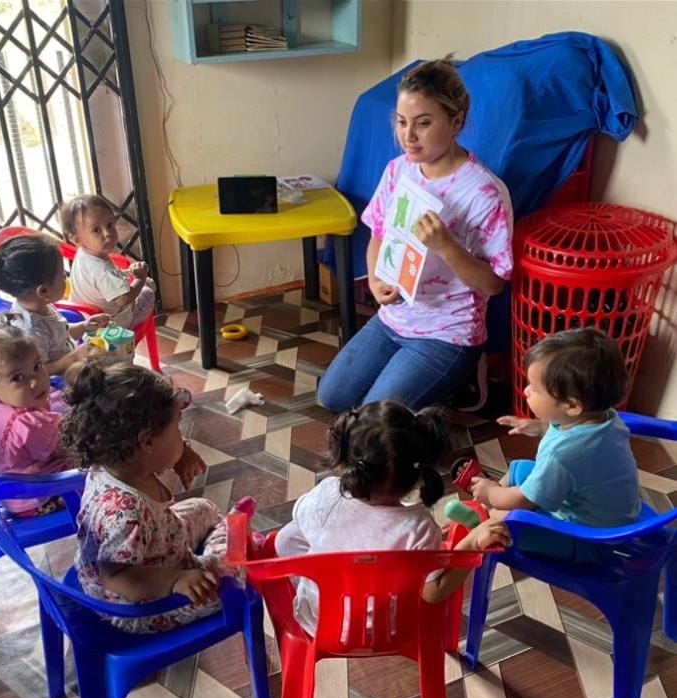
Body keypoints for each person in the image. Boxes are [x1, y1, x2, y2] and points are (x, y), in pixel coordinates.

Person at [318, 59, 513, 413]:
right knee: (331, 397)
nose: (408, 136)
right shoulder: (398, 170)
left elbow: (493, 284)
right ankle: (419, 388)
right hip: (393, 319)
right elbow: (379, 234)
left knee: (376, 419)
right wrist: (375, 280)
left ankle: (462, 377)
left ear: (456, 122)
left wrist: (446, 246)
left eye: (423, 123)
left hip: (448, 332)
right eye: (401, 122)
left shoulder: (485, 192)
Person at [274, 400, 511, 634]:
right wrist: (472, 545)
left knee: (289, 535)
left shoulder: (327, 493)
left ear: (348, 458)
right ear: (416, 474)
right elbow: (434, 591)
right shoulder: (417, 527)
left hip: (319, 621)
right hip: (383, 631)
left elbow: (297, 527)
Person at [60, 360, 220, 634]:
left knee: (204, 507)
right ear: (147, 441)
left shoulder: (114, 459)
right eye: (177, 428)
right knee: (234, 579)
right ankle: (219, 554)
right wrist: (176, 580)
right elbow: (116, 576)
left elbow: (159, 451)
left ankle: (211, 548)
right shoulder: (125, 516)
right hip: (136, 605)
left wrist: (181, 453)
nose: (181, 435)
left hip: (157, 544)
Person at [470, 328, 640, 559]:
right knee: (519, 468)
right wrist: (539, 427)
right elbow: (572, 435)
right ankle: (490, 505)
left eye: (535, 388)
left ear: (572, 406)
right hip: (614, 515)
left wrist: (491, 494)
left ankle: (487, 512)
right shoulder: (605, 416)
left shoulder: (562, 455)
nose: (526, 391)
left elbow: (523, 500)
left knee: (505, 522)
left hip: (589, 538)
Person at [0, 323, 72, 516]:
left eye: (37, 366)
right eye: (18, 378)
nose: (36, 381)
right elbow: (67, 447)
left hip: (7, 487)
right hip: (34, 497)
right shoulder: (29, 425)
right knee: (106, 465)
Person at [0, 227, 109, 376]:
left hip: (69, 358)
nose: (65, 278)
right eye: (62, 275)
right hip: (58, 383)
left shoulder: (40, 307)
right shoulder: (30, 331)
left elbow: (58, 336)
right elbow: (39, 371)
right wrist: (74, 358)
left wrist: (84, 326)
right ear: (43, 291)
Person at [60, 195, 155, 330]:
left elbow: (101, 281)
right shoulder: (102, 270)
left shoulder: (83, 254)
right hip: (109, 327)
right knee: (148, 289)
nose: (107, 233)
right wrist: (140, 278)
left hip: (82, 317)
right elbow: (124, 299)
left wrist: (127, 274)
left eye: (110, 225)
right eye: (96, 230)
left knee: (140, 284)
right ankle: (131, 328)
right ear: (77, 239)